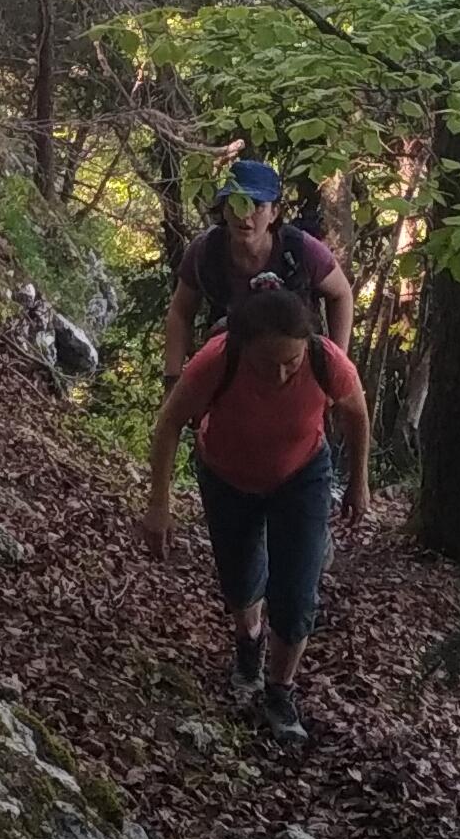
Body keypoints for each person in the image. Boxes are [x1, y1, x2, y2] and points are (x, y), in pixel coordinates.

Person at [145, 281, 370, 747]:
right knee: (241, 580)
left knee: (297, 593)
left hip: (302, 475)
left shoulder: (326, 360)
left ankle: (280, 692)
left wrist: (358, 481)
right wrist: (158, 506)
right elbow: (168, 424)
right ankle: (249, 642)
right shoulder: (216, 360)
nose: (282, 374)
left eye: (292, 362)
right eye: (268, 363)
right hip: (227, 477)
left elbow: (356, 413)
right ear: (242, 347)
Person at [163, 152, 353, 381]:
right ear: (224, 209)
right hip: (229, 371)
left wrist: (336, 368)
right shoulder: (205, 251)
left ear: (274, 212)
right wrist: (172, 378)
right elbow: (181, 312)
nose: (245, 215)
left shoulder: (301, 250)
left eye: (257, 206)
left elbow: (341, 294)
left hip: (296, 373)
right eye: (237, 204)